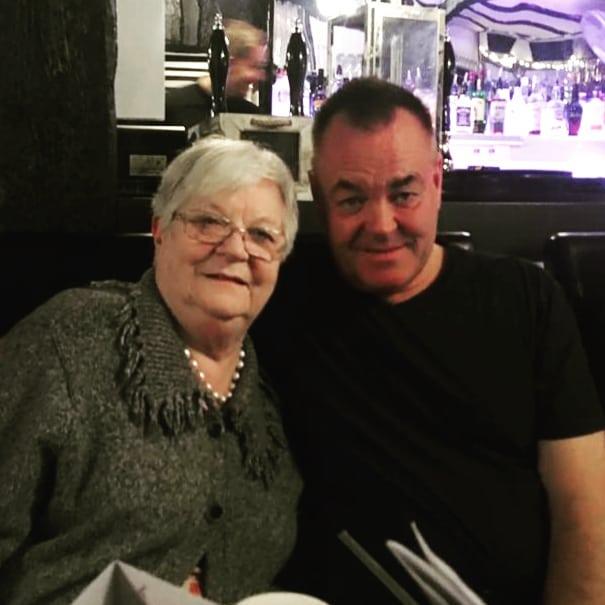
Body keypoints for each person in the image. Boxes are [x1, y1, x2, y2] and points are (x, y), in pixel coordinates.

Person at [252, 78, 605, 605]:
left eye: (404, 194)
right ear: (318, 196)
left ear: (437, 182)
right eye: (351, 199)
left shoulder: (524, 299)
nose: (381, 224)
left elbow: (585, 513)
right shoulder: (277, 295)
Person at [0, 136, 302, 605]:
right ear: (159, 229)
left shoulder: (265, 407)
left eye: (262, 235)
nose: (235, 248)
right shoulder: (70, 340)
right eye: (208, 222)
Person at [165, 19, 268, 128]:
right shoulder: (173, 108)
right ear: (228, 62)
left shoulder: (251, 115)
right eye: (253, 66)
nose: (259, 76)